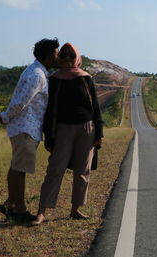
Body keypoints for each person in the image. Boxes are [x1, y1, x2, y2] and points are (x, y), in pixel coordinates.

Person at [32, 42, 103, 225]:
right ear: (58, 58)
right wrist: (49, 135)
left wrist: (99, 133)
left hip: (87, 129)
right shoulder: (54, 79)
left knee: (82, 171)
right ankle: (41, 212)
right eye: (63, 55)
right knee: (55, 170)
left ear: (77, 58)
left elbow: (95, 107)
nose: (67, 59)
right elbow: (50, 110)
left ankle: (75, 209)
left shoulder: (86, 78)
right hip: (62, 129)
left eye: (71, 55)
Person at [0, 38, 60, 221]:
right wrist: (5, 115)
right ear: (49, 57)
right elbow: (21, 102)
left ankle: (10, 203)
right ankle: (20, 211)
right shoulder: (38, 75)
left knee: (16, 167)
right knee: (19, 169)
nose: (58, 57)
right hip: (25, 127)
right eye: (56, 54)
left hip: (25, 127)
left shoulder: (36, 70)